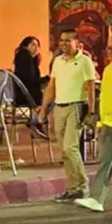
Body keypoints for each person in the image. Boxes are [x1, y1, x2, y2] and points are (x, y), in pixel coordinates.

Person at [74, 36, 112, 213]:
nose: (110, 51)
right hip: (109, 123)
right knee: (105, 162)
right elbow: (107, 97)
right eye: (108, 48)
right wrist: (100, 119)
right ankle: (97, 198)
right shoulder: (108, 69)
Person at [39, 29, 97, 202]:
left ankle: (83, 185)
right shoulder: (58, 61)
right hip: (59, 108)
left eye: (67, 41)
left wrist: (91, 112)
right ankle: (72, 187)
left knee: (71, 147)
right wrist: (43, 108)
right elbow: (52, 86)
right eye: (61, 40)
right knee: (64, 151)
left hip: (76, 107)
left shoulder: (84, 61)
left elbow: (90, 87)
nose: (63, 44)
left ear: (76, 43)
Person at [13, 36, 44, 107]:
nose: (36, 48)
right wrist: (45, 80)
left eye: (38, 46)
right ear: (25, 46)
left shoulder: (30, 60)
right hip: (27, 97)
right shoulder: (25, 59)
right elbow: (29, 79)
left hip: (25, 96)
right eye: (33, 45)